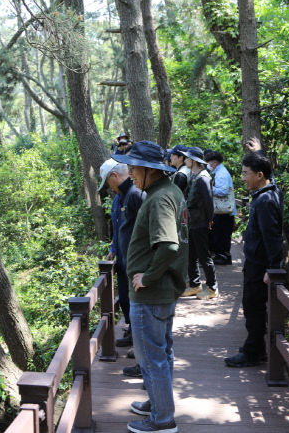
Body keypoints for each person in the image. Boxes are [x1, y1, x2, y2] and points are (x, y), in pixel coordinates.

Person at [112, 141, 188, 433]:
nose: (130, 173)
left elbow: (169, 245)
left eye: (133, 168)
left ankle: (162, 419)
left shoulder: (158, 199)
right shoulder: (169, 191)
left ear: (148, 169)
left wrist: (147, 277)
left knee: (151, 357)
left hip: (152, 293)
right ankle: (158, 403)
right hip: (163, 291)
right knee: (162, 352)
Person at [225, 150, 283, 367]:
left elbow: (273, 236)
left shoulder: (265, 199)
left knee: (253, 307)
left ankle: (253, 353)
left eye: (246, 173)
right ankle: (255, 348)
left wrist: (273, 268)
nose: (243, 177)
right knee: (252, 306)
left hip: (259, 266)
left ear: (260, 175)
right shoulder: (269, 190)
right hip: (256, 262)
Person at [99, 158, 147, 348]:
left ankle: (140, 347)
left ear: (115, 176)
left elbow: (146, 229)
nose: (108, 187)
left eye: (107, 182)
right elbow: (119, 227)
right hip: (124, 259)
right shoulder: (120, 197)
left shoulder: (135, 195)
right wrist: (113, 249)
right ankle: (133, 332)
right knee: (126, 299)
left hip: (137, 261)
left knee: (138, 302)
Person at [180, 147, 218, 300]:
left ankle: (212, 288)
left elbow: (209, 202)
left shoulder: (203, 177)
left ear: (194, 161)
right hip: (193, 222)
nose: (185, 160)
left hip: (200, 222)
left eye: (187, 158)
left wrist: (210, 220)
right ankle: (195, 285)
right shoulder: (195, 175)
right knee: (191, 255)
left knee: (204, 256)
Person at [205, 150, 236, 265]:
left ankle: (223, 257)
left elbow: (223, 191)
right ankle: (222, 255)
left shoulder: (221, 173)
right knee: (221, 234)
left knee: (221, 234)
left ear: (214, 162)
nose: (208, 165)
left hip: (224, 211)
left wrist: (209, 188)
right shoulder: (220, 171)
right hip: (224, 210)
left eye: (209, 162)